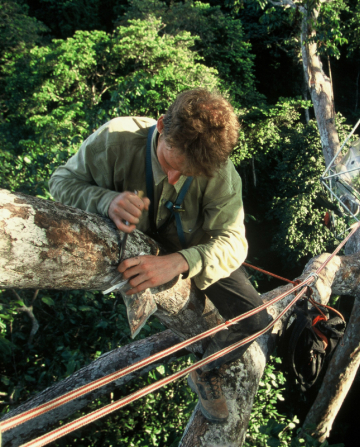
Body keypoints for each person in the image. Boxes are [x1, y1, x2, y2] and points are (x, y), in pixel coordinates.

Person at [49, 88, 270, 424]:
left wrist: (180, 262)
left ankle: (205, 369)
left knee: (256, 320)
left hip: (194, 246)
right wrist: (105, 200)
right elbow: (61, 182)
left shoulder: (220, 171)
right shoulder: (116, 140)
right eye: (169, 163)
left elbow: (234, 241)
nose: (173, 178)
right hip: (131, 241)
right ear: (162, 125)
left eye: (188, 174)